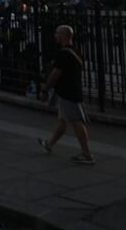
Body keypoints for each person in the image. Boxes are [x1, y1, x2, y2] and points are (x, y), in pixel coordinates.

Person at [37, 25, 95, 165]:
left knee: (76, 122)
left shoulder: (64, 54)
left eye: (57, 33)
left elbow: (55, 74)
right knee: (63, 120)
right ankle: (49, 144)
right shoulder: (76, 52)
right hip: (70, 90)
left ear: (63, 35)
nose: (55, 35)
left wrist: (46, 87)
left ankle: (87, 154)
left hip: (69, 92)